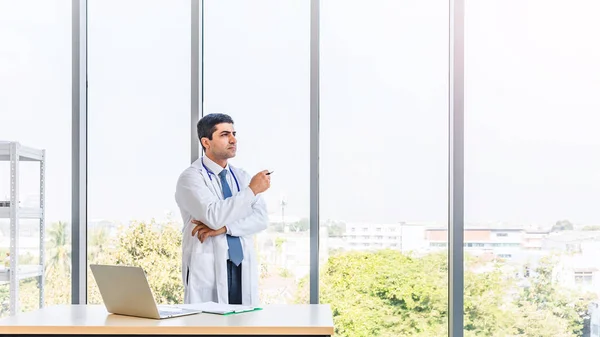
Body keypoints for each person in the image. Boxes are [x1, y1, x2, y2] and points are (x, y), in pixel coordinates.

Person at [175, 113, 270, 306]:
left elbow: (261, 218)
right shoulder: (191, 178)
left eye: (234, 133)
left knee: (242, 329)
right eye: (225, 134)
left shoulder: (241, 176)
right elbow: (213, 215)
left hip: (241, 266)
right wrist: (252, 191)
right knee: (209, 329)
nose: (233, 140)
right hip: (208, 265)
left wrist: (224, 229)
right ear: (206, 142)